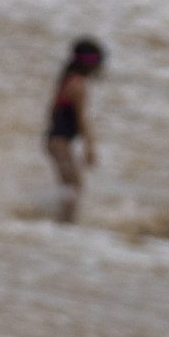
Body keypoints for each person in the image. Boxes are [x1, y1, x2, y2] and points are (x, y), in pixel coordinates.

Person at [43, 38, 104, 222]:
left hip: (55, 140)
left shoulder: (66, 81)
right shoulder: (79, 86)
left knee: (70, 184)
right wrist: (90, 147)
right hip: (60, 142)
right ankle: (65, 223)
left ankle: (64, 221)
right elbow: (82, 120)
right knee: (74, 184)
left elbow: (52, 112)